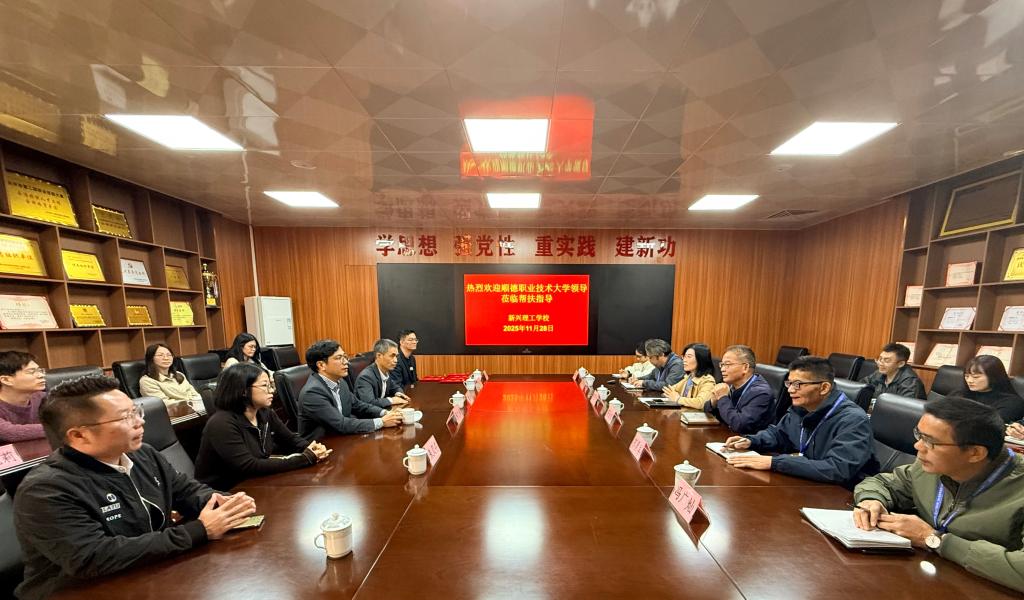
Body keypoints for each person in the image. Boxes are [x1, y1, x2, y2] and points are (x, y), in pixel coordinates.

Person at [13, 375, 256, 599]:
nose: (140, 421)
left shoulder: (143, 455)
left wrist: (224, 503)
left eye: (136, 411)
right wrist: (199, 530)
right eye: (126, 417)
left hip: (149, 574)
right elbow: (94, 557)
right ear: (79, 436)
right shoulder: (46, 489)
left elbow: (187, 491)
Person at [854, 397, 1024, 593]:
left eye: (930, 441)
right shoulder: (930, 467)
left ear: (975, 453)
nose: (918, 446)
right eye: (919, 435)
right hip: (926, 577)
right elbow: (883, 483)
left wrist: (933, 539)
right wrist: (871, 500)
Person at [723, 356, 878, 488]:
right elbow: (780, 434)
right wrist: (752, 441)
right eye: (789, 383)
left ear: (824, 388)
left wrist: (775, 463)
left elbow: (838, 469)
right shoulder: (801, 407)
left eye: (798, 384)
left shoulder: (853, 420)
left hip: (842, 495)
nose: (790, 390)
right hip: (809, 483)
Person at [195, 363, 330, 489]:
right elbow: (249, 466)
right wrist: (305, 458)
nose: (272, 390)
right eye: (265, 385)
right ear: (243, 390)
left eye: (271, 385)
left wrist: (312, 448)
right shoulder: (221, 423)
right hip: (225, 492)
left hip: (258, 482)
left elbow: (290, 439)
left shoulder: (265, 412)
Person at [298, 339, 403, 439]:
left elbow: (358, 405)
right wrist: (382, 422)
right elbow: (340, 424)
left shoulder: (341, 382)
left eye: (345, 357)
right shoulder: (312, 393)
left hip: (341, 438)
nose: (346, 362)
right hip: (322, 444)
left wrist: (385, 413)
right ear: (321, 365)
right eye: (339, 358)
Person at [704, 345, 774, 433]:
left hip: (748, 440)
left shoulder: (761, 393)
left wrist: (722, 398)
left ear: (745, 368)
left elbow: (739, 424)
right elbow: (706, 411)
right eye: (722, 364)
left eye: (727, 364)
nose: (722, 369)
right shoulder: (731, 384)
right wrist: (713, 402)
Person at [956, 355, 1024, 422]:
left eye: (975, 377)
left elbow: (989, 425)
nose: (969, 380)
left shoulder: (1012, 403)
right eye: (967, 376)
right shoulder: (961, 393)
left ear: (993, 377)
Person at [0, 351, 46, 444]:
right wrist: (59, 428)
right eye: (31, 372)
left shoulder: (42, 397)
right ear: (6, 380)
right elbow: (11, 433)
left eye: (40, 371)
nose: (42, 375)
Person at [138, 343, 202, 407]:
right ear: (151, 358)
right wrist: (189, 403)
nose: (166, 358)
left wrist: (198, 402)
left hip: (195, 408)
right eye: (160, 355)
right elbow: (163, 403)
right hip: (176, 411)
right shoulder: (147, 381)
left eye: (169, 355)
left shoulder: (179, 375)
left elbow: (194, 394)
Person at [355, 338, 411, 410]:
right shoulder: (366, 377)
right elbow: (369, 403)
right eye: (392, 356)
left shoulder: (385, 371)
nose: (396, 360)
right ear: (379, 356)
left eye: (396, 356)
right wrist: (391, 400)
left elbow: (395, 387)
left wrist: (399, 394)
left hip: (382, 411)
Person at [860, 342, 926, 399]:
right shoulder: (879, 373)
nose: (880, 363)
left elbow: (904, 407)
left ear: (901, 364)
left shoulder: (911, 383)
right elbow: (860, 387)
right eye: (880, 359)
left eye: (887, 360)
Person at [663, 343, 716, 410]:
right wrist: (672, 394)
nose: (684, 360)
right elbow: (669, 391)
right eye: (684, 356)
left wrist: (678, 399)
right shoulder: (689, 377)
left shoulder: (707, 380)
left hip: (697, 415)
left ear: (701, 359)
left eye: (689, 357)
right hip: (685, 413)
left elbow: (701, 403)